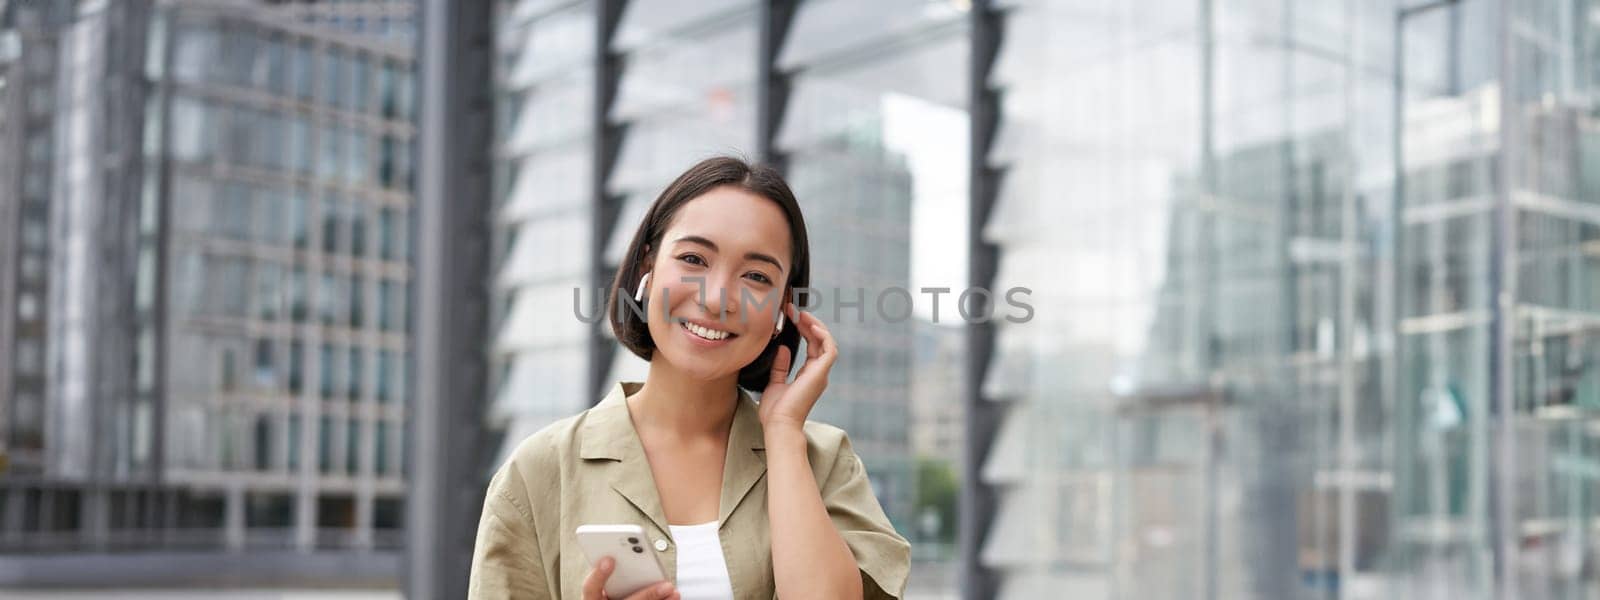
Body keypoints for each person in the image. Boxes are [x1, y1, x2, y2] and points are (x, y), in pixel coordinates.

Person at [468, 156, 911, 599]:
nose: (717, 298)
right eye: (694, 258)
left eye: (756, 276)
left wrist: (782, 435)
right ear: (647, 267)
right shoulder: (540, 472)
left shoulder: (825, 464)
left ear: (783, 308)